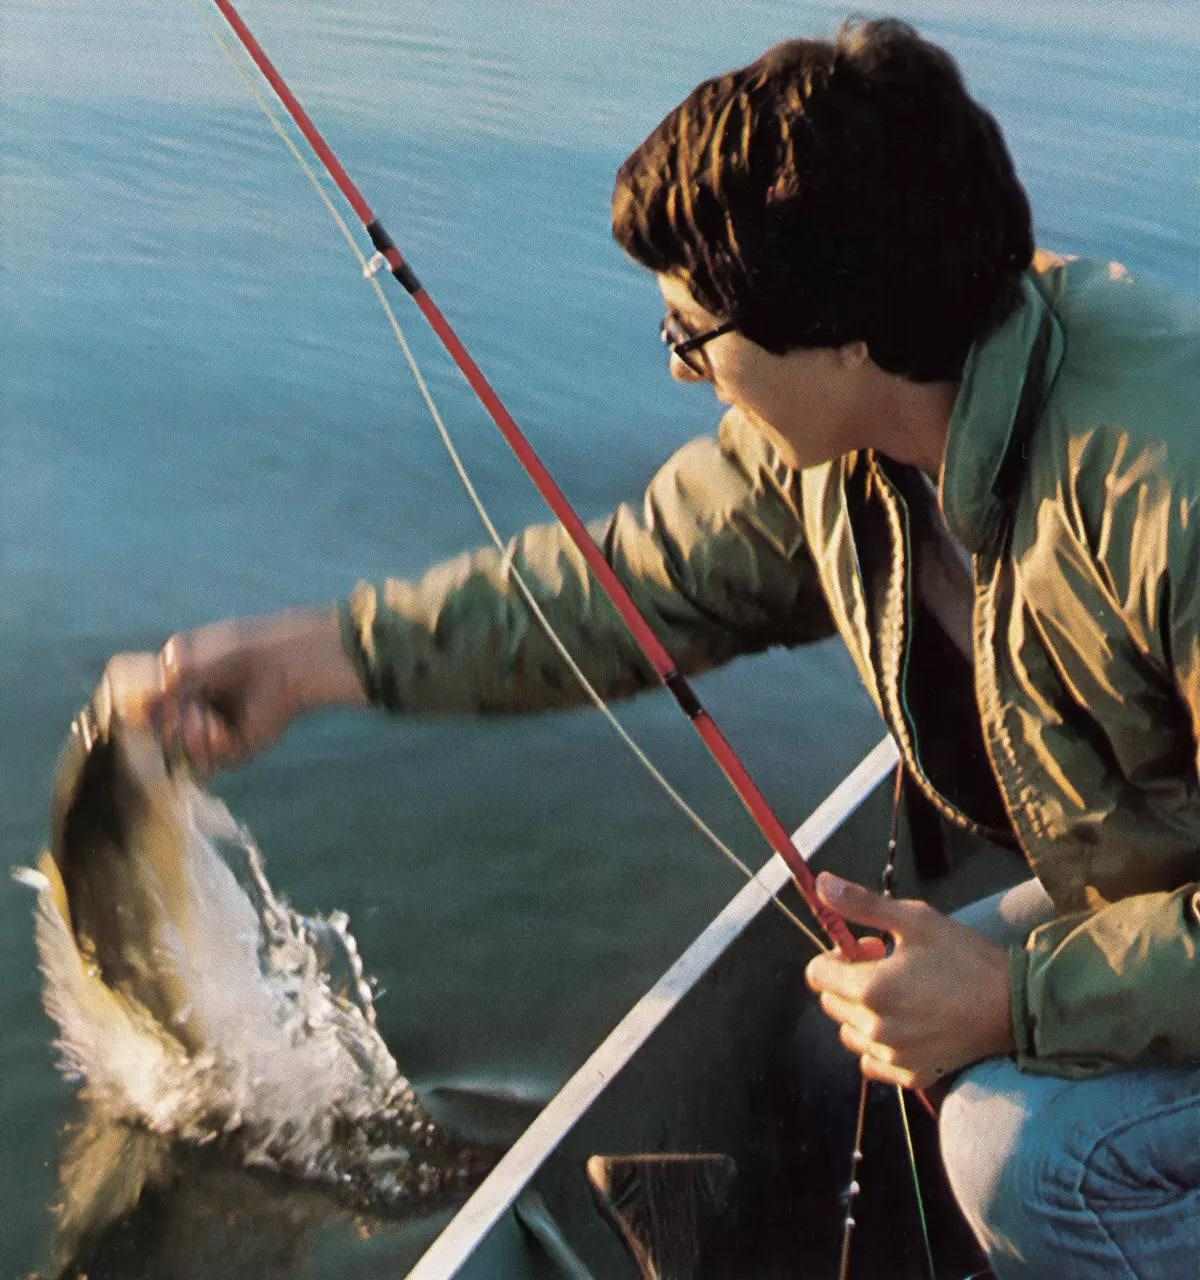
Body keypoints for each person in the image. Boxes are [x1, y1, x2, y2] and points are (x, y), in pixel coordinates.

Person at [108, 18, 1199, 1277]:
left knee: (1031, 1155)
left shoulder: (1162, 481)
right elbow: (620, 588)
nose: (684, 374)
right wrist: (315, 659)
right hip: (1151, 906)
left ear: (841, 330)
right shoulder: (853, 436)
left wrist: (1011, 1003)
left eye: (694, 336)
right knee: (822, 1051)